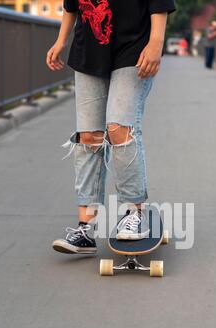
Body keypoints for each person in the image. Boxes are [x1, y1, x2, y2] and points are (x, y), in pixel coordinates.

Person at [46, 0, 175, 254]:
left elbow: (159, 2)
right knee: (89, 137)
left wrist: (156, 43)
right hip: (88, 53)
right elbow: (72, 5)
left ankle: (134, 213)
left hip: (134, 50)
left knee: (119, 129)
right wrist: (61, 40)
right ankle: (86, 228)